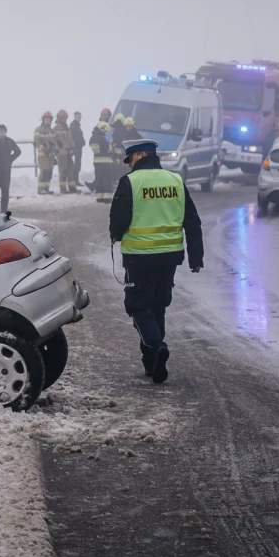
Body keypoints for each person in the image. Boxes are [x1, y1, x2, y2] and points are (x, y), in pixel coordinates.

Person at [109, 139, 203, 384]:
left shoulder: (130, 182)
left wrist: (116, 235)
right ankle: (150, 363)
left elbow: (118, 219)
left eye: (130, 160)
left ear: (140, 155)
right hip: (170, 256)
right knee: (158, 306)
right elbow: (192, 220)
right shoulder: (175, 181)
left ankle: (156, 346)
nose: (129, 165)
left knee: (139, 307)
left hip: (139, 257)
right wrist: (196, 257)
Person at [53, 110, 77, 193]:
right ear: (59, 118)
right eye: (62, 118)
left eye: (65, 118)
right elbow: (54, 140)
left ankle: (72, 187)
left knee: (71, 170)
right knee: (63, 171)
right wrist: (59, 147)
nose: (64, 120)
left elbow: (70, 139)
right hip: (61, 153)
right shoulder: (56, 128)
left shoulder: (67, 127)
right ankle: (63, 189)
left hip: (68, 152)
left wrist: (73, 146)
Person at [90, 120, 114, 202]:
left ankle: (99, 197)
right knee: (107, 179)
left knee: (99, 178)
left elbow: (96, 149)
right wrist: (110, 148)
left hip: (97, 162)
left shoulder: (93, 137)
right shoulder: (102, 138)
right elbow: (107, 149)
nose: (105, 133)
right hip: (106, 162)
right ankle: (107, 198)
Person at [34, 112, 57, 195]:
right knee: (44, 172)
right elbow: (36, 140)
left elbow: (54, 141)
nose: (48, 121)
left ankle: (46, 188)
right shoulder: (38, 129)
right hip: (43, 154)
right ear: (43, 120)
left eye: (49, 119)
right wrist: (43, 146)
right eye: (46, 119)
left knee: (49, 172)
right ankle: (40, 189)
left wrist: (55, 148)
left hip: (50, 154)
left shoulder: (51, 130)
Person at [70, 112, 86, 188]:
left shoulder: (77, 126)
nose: (79, 118)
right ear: (74, 117)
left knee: (78, 163)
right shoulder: (73, 125)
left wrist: (83, 142)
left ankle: (76, 180)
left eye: (80, 117)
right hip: (75, 147)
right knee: (76, 164)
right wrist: (73, 145)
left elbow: (79, 136)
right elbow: (71, 136)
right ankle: (74, 180)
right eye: (78, 117)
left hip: (79, 147)